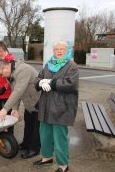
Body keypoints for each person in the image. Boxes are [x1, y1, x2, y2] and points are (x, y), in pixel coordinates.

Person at [33, 40, 79, 172]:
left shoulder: (72, 66)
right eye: (56, 49)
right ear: (53, 51)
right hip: (46, 106)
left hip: (61, 108)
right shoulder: (49, 64)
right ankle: (47, 157)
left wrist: (51, 82)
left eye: (62, 49)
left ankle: (63, 165)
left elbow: (71, 84)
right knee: (45, 134)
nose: (59, 51)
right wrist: (40, 82)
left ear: (67, 51)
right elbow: (37, 78)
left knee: (60, 138)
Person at [0, 59, 41, 159]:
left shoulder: (23, 69)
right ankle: (26, 144)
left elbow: (18, 91)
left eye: (1, 73)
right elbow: (14, 92)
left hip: (39, 100)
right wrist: (15, 109)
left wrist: (5, 109)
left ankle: (34, 149)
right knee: (28, 122)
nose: (1, 76)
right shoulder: (10, 74)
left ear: (6, 67)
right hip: (30, 101)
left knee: (36, 126)